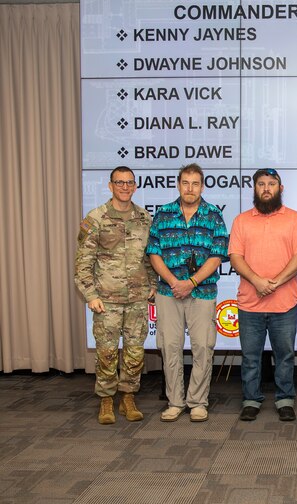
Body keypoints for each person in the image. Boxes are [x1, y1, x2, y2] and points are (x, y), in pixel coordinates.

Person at [146, 164, 229, 423]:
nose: (190, 188)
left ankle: (197, 402)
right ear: (178, 184)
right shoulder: (163, 215)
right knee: (169, 347)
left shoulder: (213, 215)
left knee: (203, 347)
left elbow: (217, 257)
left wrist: (190, 282)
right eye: (185, 183)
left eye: (195, 183)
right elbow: (153, 253)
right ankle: (175, 402)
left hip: (202, 292)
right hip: (168, 292)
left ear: (202, 186)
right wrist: (174, 282)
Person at [74, 166, 156, 424]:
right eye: (119, 182)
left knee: (134, 352)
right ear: (110, 186)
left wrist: (152, 283)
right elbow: (83, 262)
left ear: (135, 186)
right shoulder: (96, 218)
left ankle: (128, 398)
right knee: (107, 353)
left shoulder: (144, 218)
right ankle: (107, 401)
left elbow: (151, 257)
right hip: (106, 300)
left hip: (137, 299)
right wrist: (90, 295)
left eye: (129, 182)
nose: (124, 186)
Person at [229, 168, 297, 422]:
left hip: (284, 303)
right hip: (249, 303)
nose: (266, 188)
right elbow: (235, 257)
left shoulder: (294, 219)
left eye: (272, 183)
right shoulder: (241, 220)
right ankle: (251, 399)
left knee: (285, 356)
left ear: (280, 188)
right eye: (261, 184)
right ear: (254, 188)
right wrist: (256, 281)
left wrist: (275, 283)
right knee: (250, 357)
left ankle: (285, 399)